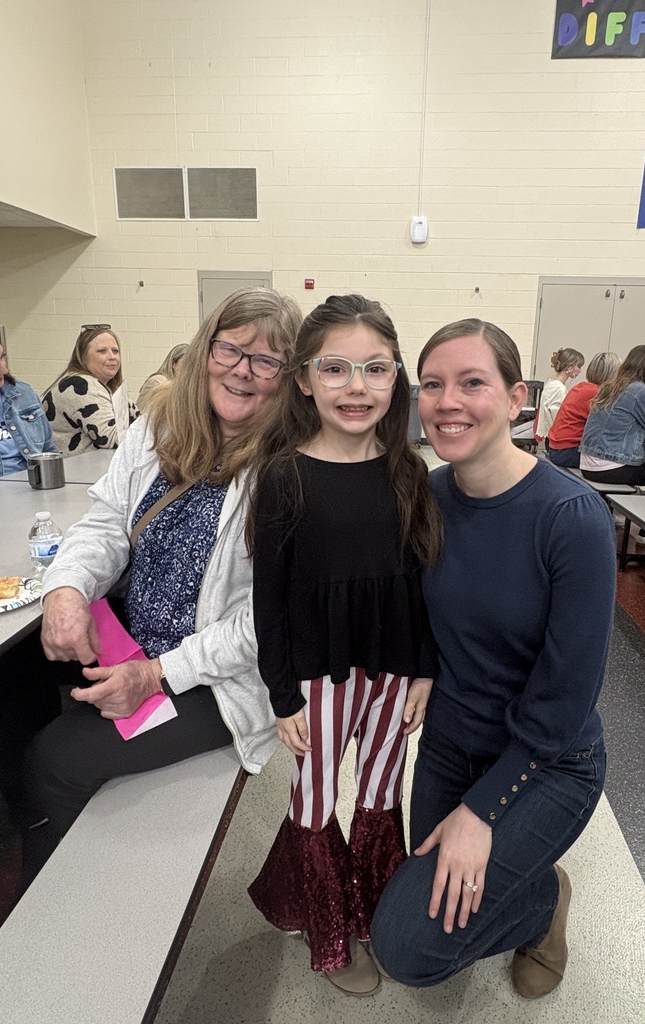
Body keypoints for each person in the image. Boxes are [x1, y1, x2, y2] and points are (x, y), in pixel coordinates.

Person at [2, 288, 303, 876]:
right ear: (205, 349)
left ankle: (58, 898)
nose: (242, 371)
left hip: (218, 676)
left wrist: (156, 674)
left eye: (265, 361)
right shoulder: (160, 427)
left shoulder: (291, 465)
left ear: (289, 377)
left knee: (54, 761)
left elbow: (272, 620)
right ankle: (29, 816)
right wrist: (66, 588)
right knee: (16, 671)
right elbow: (109, 521)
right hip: (136, 636)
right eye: (230, 349)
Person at [369, 318, 616, 998]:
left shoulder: (572, 519)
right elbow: (421, 610)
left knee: (406, 949)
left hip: (549, 759)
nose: (448, 402)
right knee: (425, 915)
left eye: (472, 383)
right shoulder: (428, 496)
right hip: (452, 743)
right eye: (434, 385)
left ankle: (541, 906)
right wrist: (420, 666)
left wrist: (483, 812)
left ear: (515, 399)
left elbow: (566, 699)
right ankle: (532, 885)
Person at [238, 294, 442, 996]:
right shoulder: (284, 476)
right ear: (303, 379)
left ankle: (379, 915)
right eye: (336, 368)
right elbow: (269, 599)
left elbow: (416, 582)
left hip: (393, 670)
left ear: (395, 379)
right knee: (316, 794)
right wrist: (281, 693)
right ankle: (328, 930)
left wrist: (423, 669)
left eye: (375, 369)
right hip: (318, 676)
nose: (357, 387)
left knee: (383, 790)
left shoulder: (409, 470)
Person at [579, 344, 645, 511]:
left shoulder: (609, 387)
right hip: (610, 466)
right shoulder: (642, 392)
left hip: (588, 463)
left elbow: (625, 421)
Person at [0, 324, 56, 485]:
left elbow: (47, 451)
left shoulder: (23, 393)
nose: (3, 369)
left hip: (34, 491)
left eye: (2, 357)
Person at [41, 324, 139, 457]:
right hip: (75, 473)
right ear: (83, 357)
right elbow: (113, 439)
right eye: (102, 351)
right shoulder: (79, 384)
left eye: (115, 351)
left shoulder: (105, 387)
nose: (112, 357)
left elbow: (140, 420)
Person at [547, 351, 621, 468]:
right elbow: (612, 424)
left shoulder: (581, 387)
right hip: (567, 452)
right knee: (620, 461)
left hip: (556, 448)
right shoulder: (596, 394)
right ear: (612, 374)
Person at [534, 347, 584, 447]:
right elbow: (558, 418)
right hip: (555, 439)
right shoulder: (558, 389)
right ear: (569, 367)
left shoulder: (551, 384)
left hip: (550, 437)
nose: (580, 371)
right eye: (578, 366)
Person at [136, 343, 189, 412]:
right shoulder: (158, 382)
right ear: (173, 363)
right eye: (186, 363)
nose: (188, 368)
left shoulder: (181, 385)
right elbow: (143, 414)